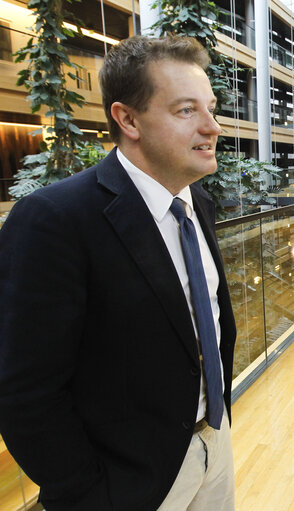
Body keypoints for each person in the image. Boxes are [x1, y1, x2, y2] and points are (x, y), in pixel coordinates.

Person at [0, 35, 237, 510]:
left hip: (213, 444)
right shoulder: (54, 219)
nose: (213, 127)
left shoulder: (198, 203)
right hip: (125, 483)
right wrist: (88, 493)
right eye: (186, 110)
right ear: (127, 119)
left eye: (210, 108)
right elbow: (25, 390)